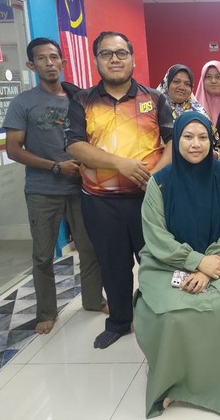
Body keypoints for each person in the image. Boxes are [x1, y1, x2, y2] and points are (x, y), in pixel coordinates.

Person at [134, 111, 220, 418]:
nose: (195, 144)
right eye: (187, 137)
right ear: (176, 139)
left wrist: (210, 265)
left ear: (212, 141)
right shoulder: (159, 183)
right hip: (168, 262)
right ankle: (175, 383)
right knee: (172, 312)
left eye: (202, 137)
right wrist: (196, 262)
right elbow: (156, 236)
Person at [66, 31, 173, 349]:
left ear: (132, 58)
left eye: (121, 53)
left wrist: (154, 174)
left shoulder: (155, 98)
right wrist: (119, 164)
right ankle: (119, 321)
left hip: (148, 199)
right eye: (106, 53)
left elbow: (172, 143)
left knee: (156, 262)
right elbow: (74, 146)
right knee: (113, 265)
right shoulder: (82, 100)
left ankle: (161, 318)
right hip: (100, 202)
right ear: (96, 60)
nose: (114, 59)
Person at [2, 37, 106, 335]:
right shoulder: (23, 103)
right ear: (31, 65)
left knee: (89, 249)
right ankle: (46, 312)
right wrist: (56, 166)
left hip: (81, 188)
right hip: (42, 190)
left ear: (63, 62)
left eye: (54, 57)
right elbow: (13, 149)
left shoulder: (78, 98)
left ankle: (92, 300)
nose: (49, 63)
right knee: (43, 255)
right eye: (41, 58)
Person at [156, 64, 220, 158]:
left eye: (187, 84)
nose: (182, 87)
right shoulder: (154, 111)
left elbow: (217, 148)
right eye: (176, 82)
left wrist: (208, 155)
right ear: (167, 83)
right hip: (161, 164)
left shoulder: (199, 112)